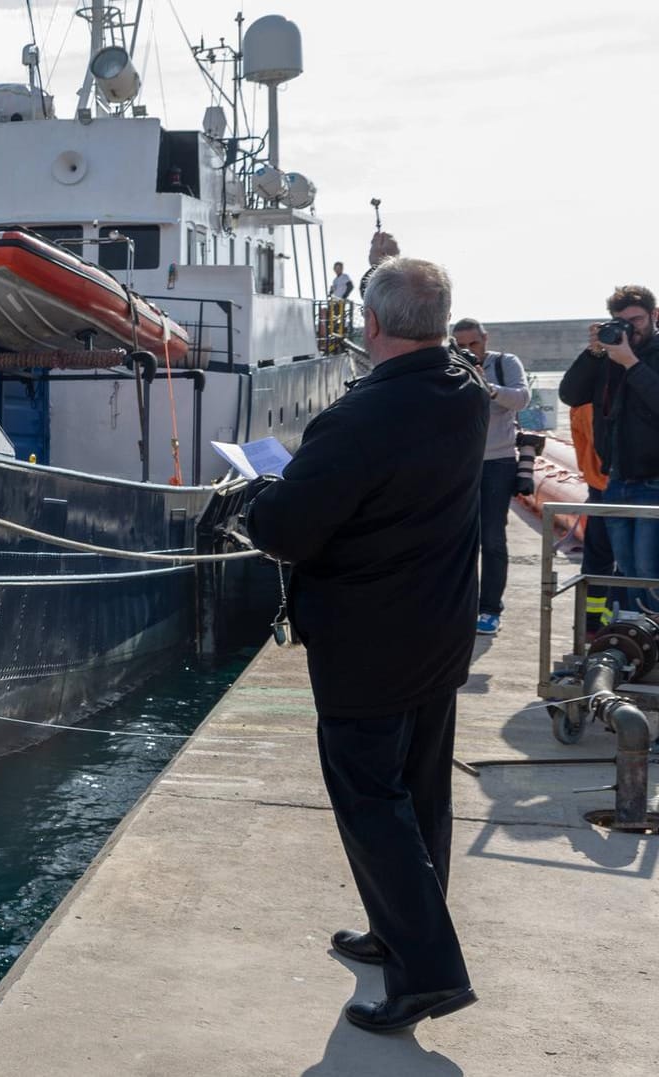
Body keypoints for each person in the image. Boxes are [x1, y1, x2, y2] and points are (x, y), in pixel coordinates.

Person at [244, 257, 483, 1033]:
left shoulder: (357, 418)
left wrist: (255, 497)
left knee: (371, 800)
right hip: (437, 629)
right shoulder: (465, 391)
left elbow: (286, 530)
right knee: (420, 792)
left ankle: (431, 973)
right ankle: (399, 931)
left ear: (369, 324)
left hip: (369, 641)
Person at [558, 285, 659, 614]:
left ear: (654, 316)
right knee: (627, 571)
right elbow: (571, 394)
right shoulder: (609, 357)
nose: (630, 328)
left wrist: (631, 363)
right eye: (621, 321)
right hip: (615, 480)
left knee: (648, 571)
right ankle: (633, 643)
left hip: (653, 481)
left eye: (637, 319)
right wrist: (594, 353)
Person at [451, 318, 528, 634]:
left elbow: (522, 398)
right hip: (460, 465)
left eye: (474, 344)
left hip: (497, 463)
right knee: (456, 539)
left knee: (493, 538)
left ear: (485, 339)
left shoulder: (504, 363)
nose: (470, 351)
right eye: (461, 346)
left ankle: (490, 608)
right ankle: (460, 605)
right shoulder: (450, 368)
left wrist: (489, 387)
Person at [571, 403, 614, 632]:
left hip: (598, 484)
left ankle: (590, 626)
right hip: (630, 485)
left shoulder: (589, 389)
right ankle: (612, 624)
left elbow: (579, 433)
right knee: (632, 564)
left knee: (598, 557)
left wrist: (588, 471)